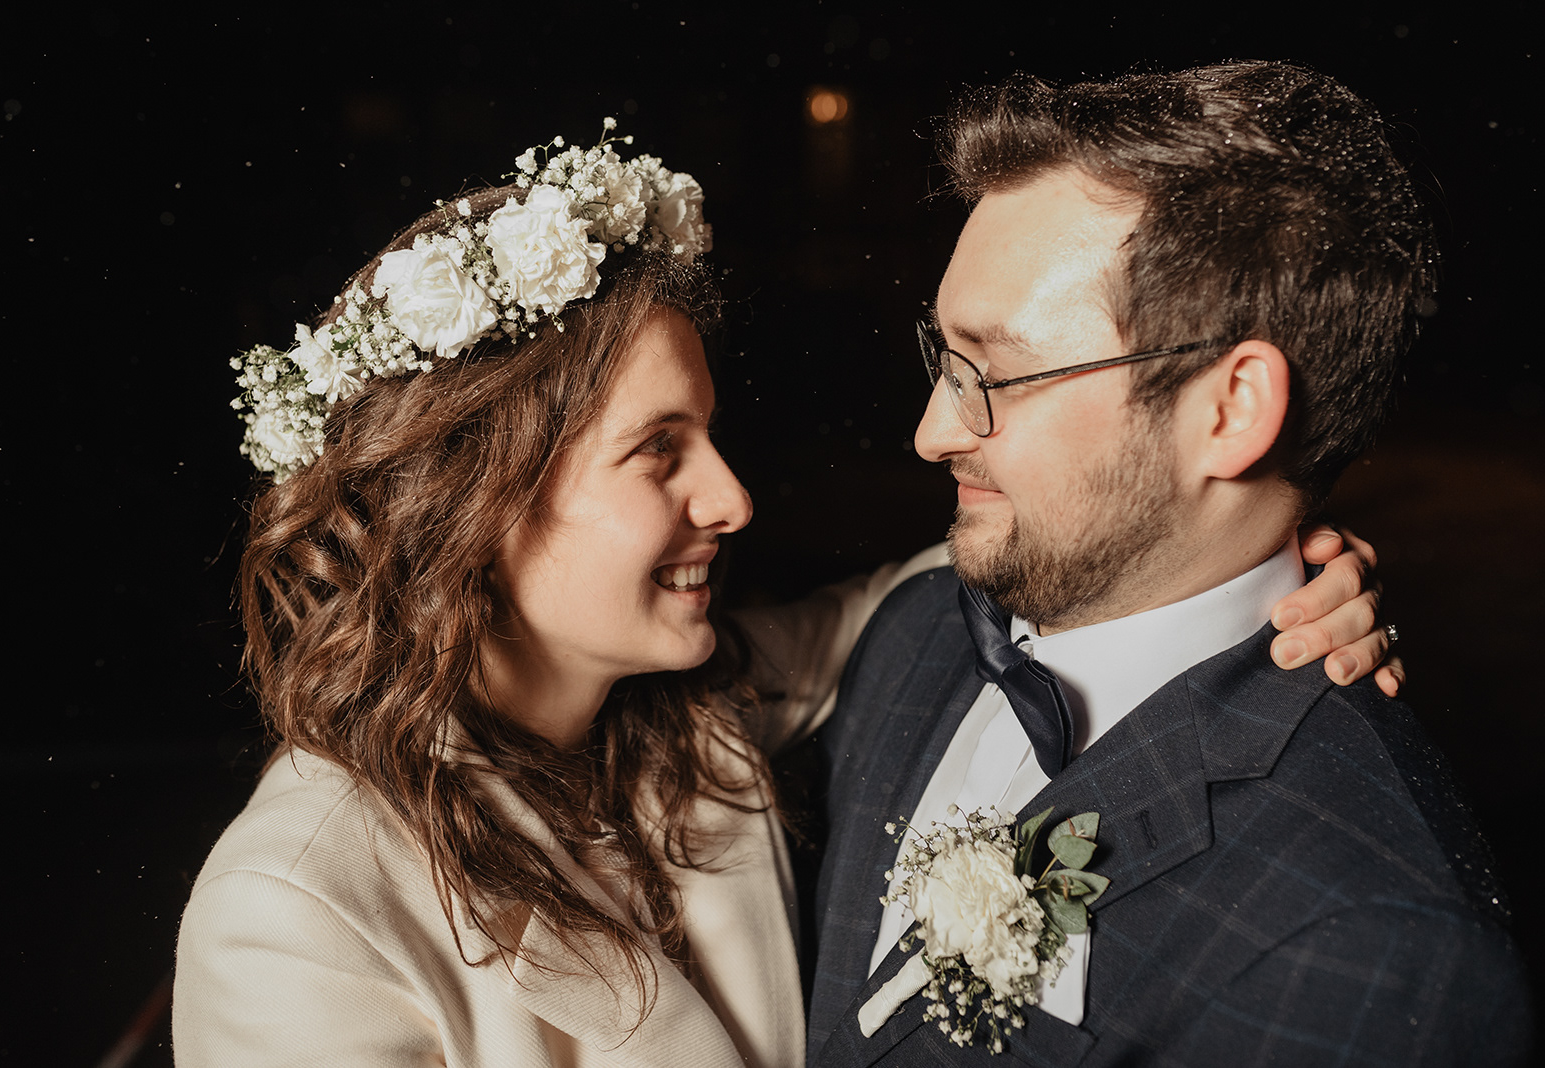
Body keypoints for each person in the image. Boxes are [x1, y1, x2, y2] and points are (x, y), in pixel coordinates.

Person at [172, 122, 1396, 1067]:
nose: (730, 498)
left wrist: (1254, 544)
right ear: (473, 500)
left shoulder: (702, 710)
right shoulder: (293, 913)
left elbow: (958, 583)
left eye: (709, 436)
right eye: (659, 451)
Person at [806, 63, 1533, 1066]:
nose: (933, 431)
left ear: (1231, 411)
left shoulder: (1368, 953)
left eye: (999, 372)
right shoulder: (914, 633)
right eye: (946, 356)